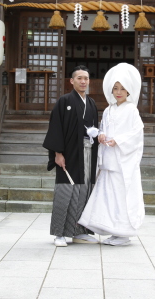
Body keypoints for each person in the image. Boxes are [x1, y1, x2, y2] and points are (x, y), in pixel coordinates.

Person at [78, 63, 145, 246]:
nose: (118, 92)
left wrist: (119, 140)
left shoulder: (132, 110)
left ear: (129, 90)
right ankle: (114, 230)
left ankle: (124, 233)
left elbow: (136, 133)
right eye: (115, 88)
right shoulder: (108, 110)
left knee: (122, 197)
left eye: (122, 88)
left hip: (123, 162)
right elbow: (104, 129)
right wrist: (101, 135)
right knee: (109, 197)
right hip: (109, 159)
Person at [43, 65, 99, 247]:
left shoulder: (91, 103)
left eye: (86, 78)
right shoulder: (64, 101)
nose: (83, 81)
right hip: (69, 153)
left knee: (85, 190)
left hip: (88, 152)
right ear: (72, 81)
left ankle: (80, 231)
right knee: (66, 190)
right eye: (79, 78)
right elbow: (56, 127)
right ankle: (59, 233)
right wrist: (58, 153)